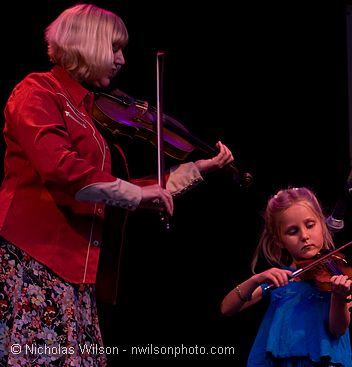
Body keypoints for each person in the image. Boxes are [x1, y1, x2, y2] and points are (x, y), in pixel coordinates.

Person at [0, 4, 234, 366]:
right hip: (35, 260)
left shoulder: (87, 111)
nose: (122, 60)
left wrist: (194, 170)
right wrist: (137, 195)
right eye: (114, 48)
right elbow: (62, 169)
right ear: (87, 43)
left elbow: (113, 186)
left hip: (76, 273)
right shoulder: (37, 91)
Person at [221, 187, 352, 367]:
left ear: (322, 225)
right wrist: (257, 279)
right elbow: (227, 308)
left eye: (310, 225)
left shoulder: (339, 275)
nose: (305, 236)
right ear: (279, 240)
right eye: (293, 232)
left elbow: (338, 329)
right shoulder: (281, 279)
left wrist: (339, 297)